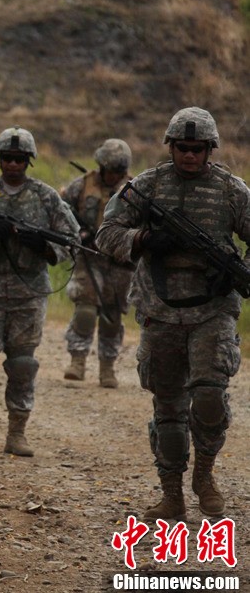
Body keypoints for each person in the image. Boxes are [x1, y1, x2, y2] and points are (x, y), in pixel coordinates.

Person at [95, 107, 249, 521]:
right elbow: (106, 234)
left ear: (210, 149)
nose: (190, 156)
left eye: (198, 149)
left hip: (213, 310)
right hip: (159, 310)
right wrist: (143, 238)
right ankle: (172, 495)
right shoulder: (146, 186)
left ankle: (205, 475)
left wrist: (234, 270)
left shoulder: (231, 190)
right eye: (183, 148)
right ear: (171, 147)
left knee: (210, 395)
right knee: (168, 408)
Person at [0, 126, 79, 457]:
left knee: (22, 364)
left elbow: (71, 238)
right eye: (7, 158)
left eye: (19, 159)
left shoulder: (45, 197)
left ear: (29, 161)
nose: (12, 164)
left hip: (29, 293)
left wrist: (45, 247)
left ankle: (17, 430)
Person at [60, 139, 135, 387]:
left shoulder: (135, 190)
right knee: (85, 310)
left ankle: (107, 367)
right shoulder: (82, 185)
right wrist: (78, 233)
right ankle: (77, 360)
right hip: (88, 257)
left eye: (118, 171)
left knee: (112, 317)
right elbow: (62, 211)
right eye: (109, 170)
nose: (113, 175)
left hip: (119, 261)